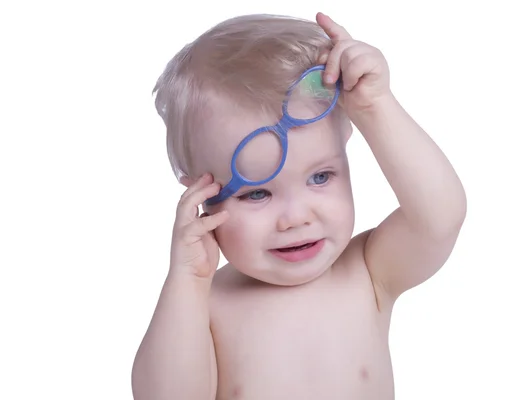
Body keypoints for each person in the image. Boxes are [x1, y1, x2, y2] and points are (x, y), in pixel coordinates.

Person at [132, 11, 466, 400]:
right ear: (199, 201)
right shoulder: (206, 308)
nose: (295, 218)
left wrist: (375, 107)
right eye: (257, 193)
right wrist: (187, 280)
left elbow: (440, 218)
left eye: (320, 177)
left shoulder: (368, 272)